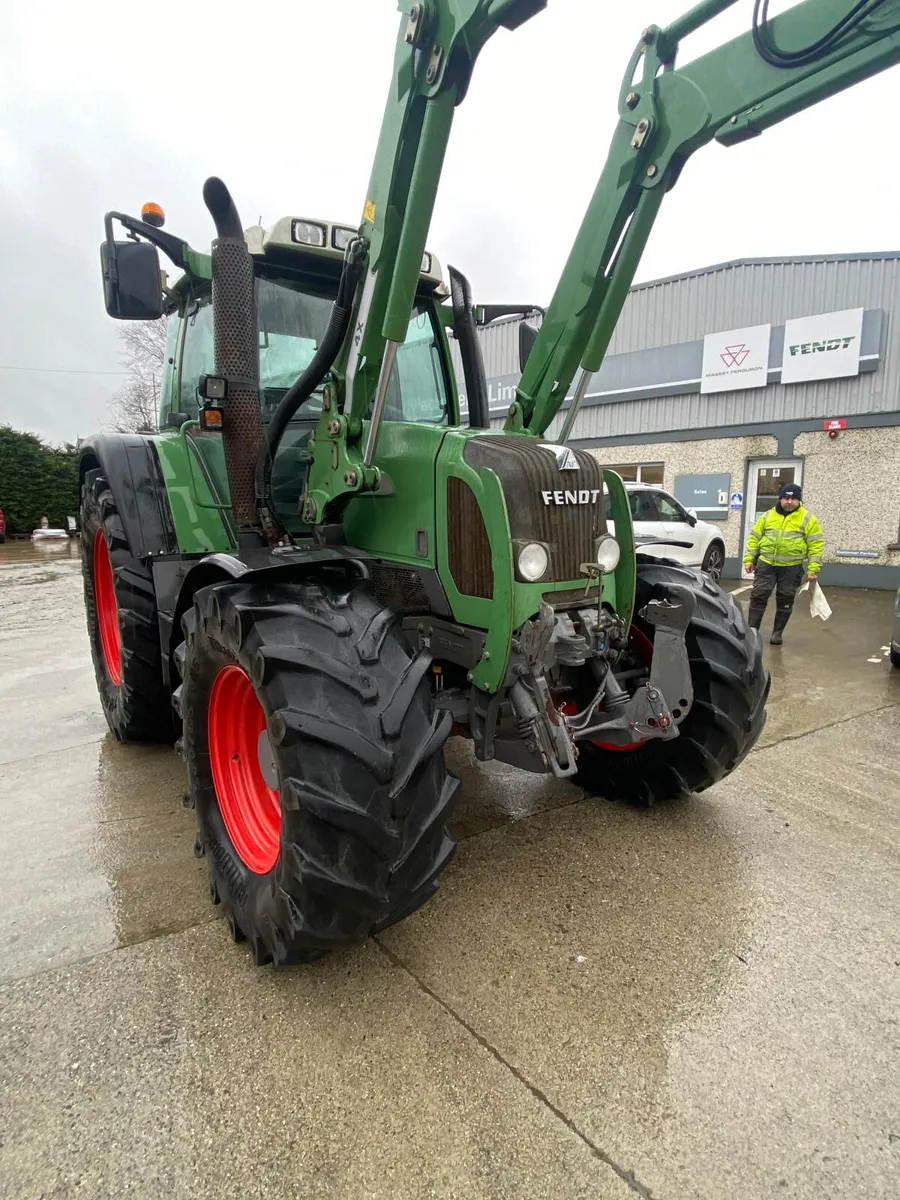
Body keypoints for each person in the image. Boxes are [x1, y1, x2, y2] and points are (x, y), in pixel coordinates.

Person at [743, 482, 825, 645]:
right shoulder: (767, 516)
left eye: (793, 499)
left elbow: (816, 544)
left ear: (798, 500)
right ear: (780, 499)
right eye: (786, 498)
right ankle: (752, 632)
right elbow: (754, 538)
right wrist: (749, 559)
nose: (789, 501)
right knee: (758, 596)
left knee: (786, 598)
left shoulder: (808, 519)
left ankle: (777, 633)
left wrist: (813, 569)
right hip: (766, 564)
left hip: (791, 568)